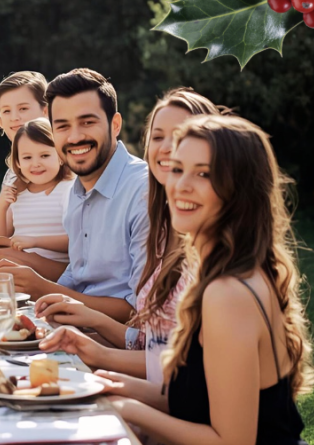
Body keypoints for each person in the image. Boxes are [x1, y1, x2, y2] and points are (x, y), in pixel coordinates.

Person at [53, 115, 314, 445]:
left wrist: (128, 407)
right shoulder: (219, 272)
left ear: (241, 191)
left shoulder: (228, 292)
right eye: (177, 169)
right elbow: (201, 395)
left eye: (204, 175)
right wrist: (110, 384)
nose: (180, 185)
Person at [36, 88, 221, 381]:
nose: (169, 148)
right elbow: (156, 346)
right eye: (158, 137)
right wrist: (91, 327)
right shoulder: (174, 231)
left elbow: (194, 380)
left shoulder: (220, 269)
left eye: (182, 137)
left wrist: (104, 362)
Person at [0, 68, 149, 324]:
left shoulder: (143, 192)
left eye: (87, 122)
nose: (75, 137)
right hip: (72, 326)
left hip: (119, 343)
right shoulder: (78, 189)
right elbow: (76, 278)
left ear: (115, 124)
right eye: (62, 126)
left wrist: (43, 287)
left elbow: (142, 313)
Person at [0, 117, 72, 281]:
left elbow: (76, 241)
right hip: (23, 264)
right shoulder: (18, 194)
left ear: (61, 157)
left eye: (45, 155)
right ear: (18, 162)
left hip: (58, 269)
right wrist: (1, 206)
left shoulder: (68, 189)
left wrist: (34, 241)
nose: (36, 163)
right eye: (27, 158)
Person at [0, 71, 50, 254]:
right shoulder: (12, 174)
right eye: (6, 111)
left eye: (23, 108)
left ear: (45, 111)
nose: (15, 117)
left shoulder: (62, 163)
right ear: (0, 122)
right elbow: (0, 239)